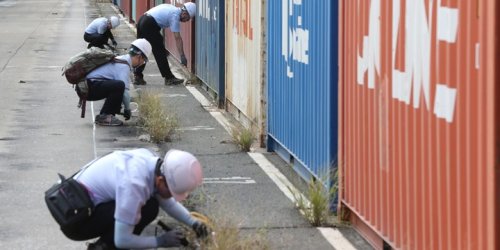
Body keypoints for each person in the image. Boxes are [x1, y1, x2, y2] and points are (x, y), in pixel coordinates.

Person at [61, 148, 208, 249]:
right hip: (76, 221)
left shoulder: (151, 162)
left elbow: (168, 204)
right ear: (161, 181)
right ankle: (103, 248)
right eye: (172, 192)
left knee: (150, 205)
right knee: (148, 208)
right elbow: (122, 240)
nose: (172, 197)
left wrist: (195, 224)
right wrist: (161, 241)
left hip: (77, 204)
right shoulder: (134, 185)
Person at [85, 38, 151, 126]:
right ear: (139, 57)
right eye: (144, 61)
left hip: (88, 86)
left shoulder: (121, 59)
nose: (142, 63)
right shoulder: (123, 66)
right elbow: (125, 93)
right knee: (120, 85)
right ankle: (105, 116)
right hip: (88, 88)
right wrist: (127, 109)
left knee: (118, 86)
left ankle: (105, 115)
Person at [134, 2, 196, 86]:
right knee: (160, 52)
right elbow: (177, 38)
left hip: (142, 20)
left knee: (142, 50)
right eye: (187, 18)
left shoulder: (172, 8)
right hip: (149, 24)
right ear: (185, 13)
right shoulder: (175, 16)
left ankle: (138, 76)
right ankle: (169, 78)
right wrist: (182, 56)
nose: (186, 21)